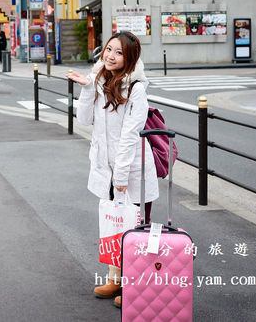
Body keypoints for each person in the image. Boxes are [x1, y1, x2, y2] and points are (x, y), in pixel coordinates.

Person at [66, 31, 157, 310]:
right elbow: (84, 119)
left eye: (118, 52)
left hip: (130, 172)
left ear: (129, 58)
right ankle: (115, 279)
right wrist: (86, 88)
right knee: (113, 225)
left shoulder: (136, 89)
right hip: (107, 170)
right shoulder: (100, 81)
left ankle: (137, 287)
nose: (111, 56)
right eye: (108, 49)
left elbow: (131, 136)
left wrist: (120, 178)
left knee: (134, 230)